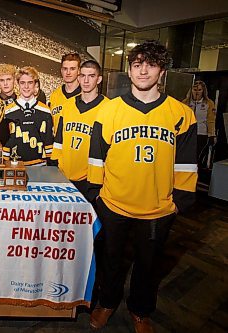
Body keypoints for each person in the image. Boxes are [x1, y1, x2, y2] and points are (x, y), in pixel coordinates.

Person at [87, 40, 198, 333]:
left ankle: (140, 310)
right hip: (113, 203)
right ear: (130, 70)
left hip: (157, 207)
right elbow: (97, 155)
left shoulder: (181, 113)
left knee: (148, 267)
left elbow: (186, 163)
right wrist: (97, 194)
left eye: (150, 64)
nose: (143, 70)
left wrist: (179, 202)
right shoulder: (109, 111)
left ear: (162, 71)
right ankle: (107, 303)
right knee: (110, 261)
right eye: (137, 64)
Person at [51, 60, 108, 200]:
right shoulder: (68, 104)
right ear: (78, 77)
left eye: (91, 76)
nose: (86, 80)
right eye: (82, 76)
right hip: (64, 175)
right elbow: (59, 140)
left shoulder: (108, 107)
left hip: (91, 180)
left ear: (99, 79)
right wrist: (55, 166)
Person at [2, 66, 54, 166]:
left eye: (30, 82)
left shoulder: (45, 110)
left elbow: (48, 141)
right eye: (22, 83)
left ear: (35, 84)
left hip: (40, 165)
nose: (26, 87)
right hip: (14, 166)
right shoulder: (7, 111)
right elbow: (6, 144)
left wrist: (50, 165)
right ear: (18, 84)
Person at [182, 80, 216, 166]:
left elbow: (211, 120)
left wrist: (212, 134)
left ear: (203, 91)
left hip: (201, 133)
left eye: (199, 90)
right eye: (195, 89)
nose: (197, 92)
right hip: (187, 133)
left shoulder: (208, 103)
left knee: (198, 156)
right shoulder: (185, 103)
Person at [49, 53, 82, 131]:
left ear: (79, 71)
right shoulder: (54, 95)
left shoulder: (85, 95)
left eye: (72, 69)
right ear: (61, 71)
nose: (68, 72)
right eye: (65, 69)